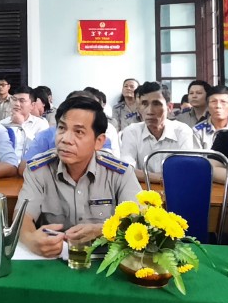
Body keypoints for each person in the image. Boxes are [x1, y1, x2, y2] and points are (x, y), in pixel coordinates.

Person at [16, 96, 140, 258]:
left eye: (79, 132)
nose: (65, 139)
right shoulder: (38, 170)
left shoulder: (119, 173)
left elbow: (139, 223)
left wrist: (102, 230)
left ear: (99, 141)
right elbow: (23, 217)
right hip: (53, 259)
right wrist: (30, 239)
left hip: (105, 259)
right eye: (62, 128)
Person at [119, 81, 198, 183]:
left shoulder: (182, 131)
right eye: (144, 104)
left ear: (169, 107)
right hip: (141, 189)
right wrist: (159, 178)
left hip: (176, 187)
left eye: (156, 104)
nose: (149, 111)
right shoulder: (132, 131)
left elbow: (185, 170)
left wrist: (143, 175)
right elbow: (126, 169)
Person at [4, 84, 48, 150]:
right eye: (14, 99)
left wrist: (21, 125)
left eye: (22, 101)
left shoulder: (40, 124)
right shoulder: (2, 124)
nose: (17, 104)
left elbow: (40, 148)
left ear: (32, 105)